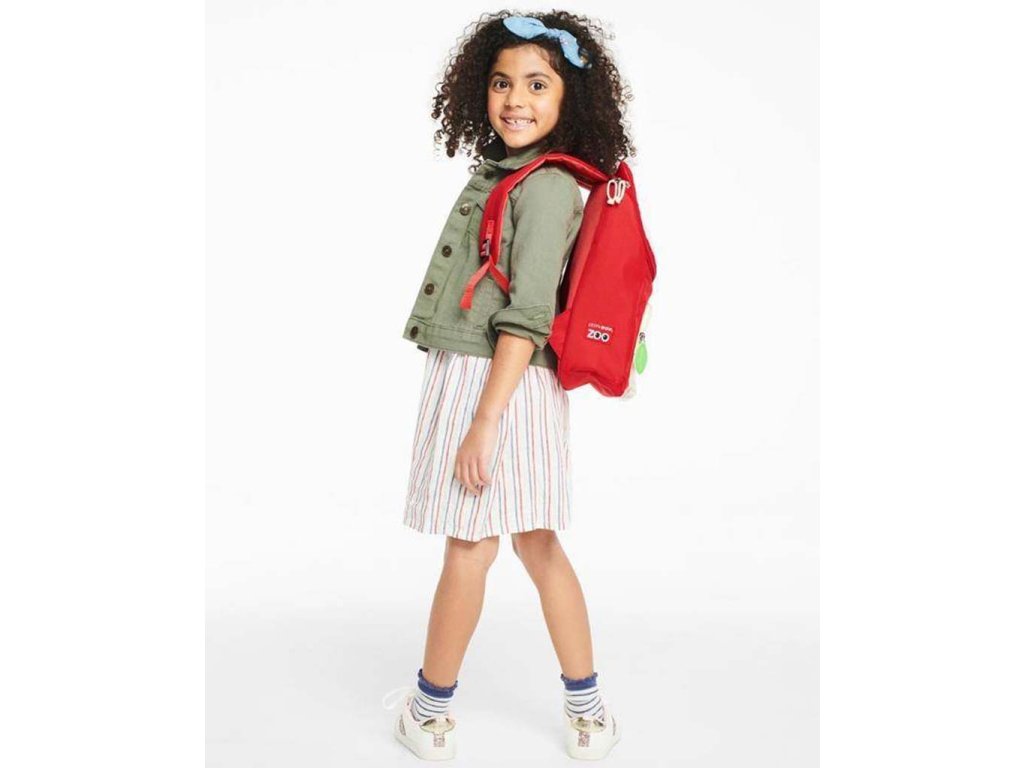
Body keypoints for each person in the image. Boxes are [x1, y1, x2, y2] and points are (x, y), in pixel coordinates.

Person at [381, 12, 637, 760]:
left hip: (493, 381)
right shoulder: (516, 174)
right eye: (501, 82)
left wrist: (485, 419)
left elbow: (527, 316)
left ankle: (429, 713)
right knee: (536, 543)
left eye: (536, 84)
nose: (515, 99)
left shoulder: (547, 186)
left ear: (570, 98)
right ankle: (588, 711)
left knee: (472, 546)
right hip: (504, 381)